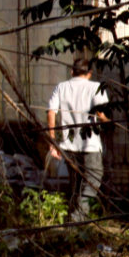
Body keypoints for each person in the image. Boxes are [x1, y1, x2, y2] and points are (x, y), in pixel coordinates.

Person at [47, 58, 110, 222]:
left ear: (72, 71)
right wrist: (109, 123)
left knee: (76, 183)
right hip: (90, 143)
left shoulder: (61, 87)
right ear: (89, 73)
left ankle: (72, 218)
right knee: (93, 180)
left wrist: (52, 142)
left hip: (69, 145)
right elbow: (101, 114)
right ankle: (78, 218)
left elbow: (51, 112)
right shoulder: (96, 87)